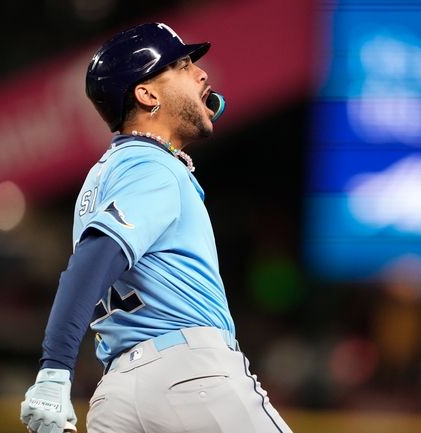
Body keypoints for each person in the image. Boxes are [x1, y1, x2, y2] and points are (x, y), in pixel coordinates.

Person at [19, 22, 292, 433]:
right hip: (191, 379)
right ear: (147, 94)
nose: (201, 73)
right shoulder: (152, 167)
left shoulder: (104, 177)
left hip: (117, 396)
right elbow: (93, 262)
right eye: (182, 66)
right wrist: (55, 369)